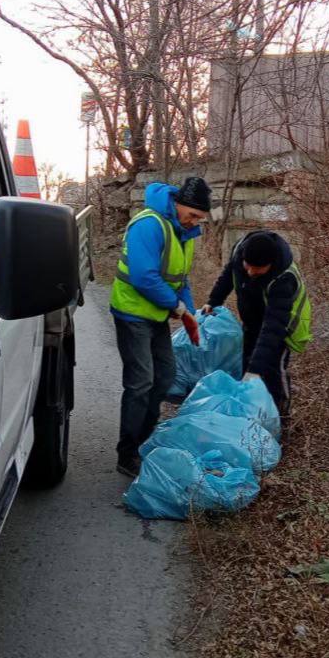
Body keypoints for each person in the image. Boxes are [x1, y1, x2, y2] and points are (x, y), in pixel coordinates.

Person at [110, 176, 211, 478]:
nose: (195, 222)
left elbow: (181, 280)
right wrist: (179, 309)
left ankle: (143, 440)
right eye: (192, 215)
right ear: (177, 204)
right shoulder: (149, 225)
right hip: (131, 313)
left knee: (164, 377)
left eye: (200, 218)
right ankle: (127, 453)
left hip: (156, 315)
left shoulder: (185, 231)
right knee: (141, 383)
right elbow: (144, 276)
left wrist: (191, 314)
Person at [202, 230, 312, 426]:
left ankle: (278, 418)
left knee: (271, 370)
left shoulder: (283, 279)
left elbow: (273, 328)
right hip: (252, 322)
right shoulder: (240, 253)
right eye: (248, 266)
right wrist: (214, 301)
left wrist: (256, 369)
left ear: (271, 265)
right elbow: (229, 275)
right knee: (246, 363)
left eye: (258, 269)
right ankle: (250, 416)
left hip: (282, 327)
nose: (251, 272)